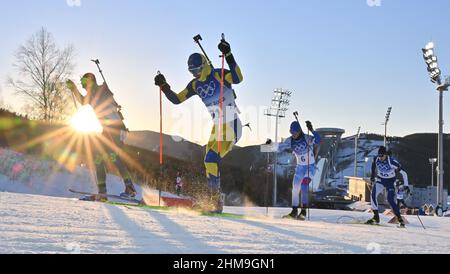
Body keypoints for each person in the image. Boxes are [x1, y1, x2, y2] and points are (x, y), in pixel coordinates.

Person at [154, 37, 243, 213]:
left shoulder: (218, 74)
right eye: (191, 71)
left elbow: (238, 78)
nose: (194, 74)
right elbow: (177, 99)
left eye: (196, 69)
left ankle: (216, 201)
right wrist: (164, 86)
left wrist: (229, 55)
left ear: (203, 65)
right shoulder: (195, 85)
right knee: (208, 161)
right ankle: (213, 199)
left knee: (211, 159)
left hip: (231, 122)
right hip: (218, 125)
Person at [67, 73, 137, 201]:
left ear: (90, 81)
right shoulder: (92, 94)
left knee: (113, 157)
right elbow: (83, 101)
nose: (82, 84)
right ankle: (102, 192)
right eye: (81, 82)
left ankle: (130, 188)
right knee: (98, 158)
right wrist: (73, 89)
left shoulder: (101, 90)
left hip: (115, 128)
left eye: (83, 81)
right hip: (106, 130)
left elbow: (104, 97)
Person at [268, 120, 321, 220]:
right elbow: (279, 147)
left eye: (295, 133)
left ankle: (304, 211)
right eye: (292, 133)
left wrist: (312, 130)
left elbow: (318, 140)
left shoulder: (307, 138)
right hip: (300, 168)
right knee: (295, 188)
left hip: (310, 167)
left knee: (304, 185)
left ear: (299, 131)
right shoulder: (290, 140)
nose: (294, 135)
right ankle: (294, 211)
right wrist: (270, 144)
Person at [366, 146, 408, 227]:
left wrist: (406, 185)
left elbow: (404, 173)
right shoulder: (376, 159)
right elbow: (373, 166)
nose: (380, 157)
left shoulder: (392, 162)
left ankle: (400, 219)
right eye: (379, 155)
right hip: (380, 180)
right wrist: (372, 176)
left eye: (382, 155)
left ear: (385, 155)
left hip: (390, 182)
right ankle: (376, 217)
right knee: (373, 195)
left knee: (390, 200)